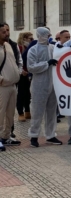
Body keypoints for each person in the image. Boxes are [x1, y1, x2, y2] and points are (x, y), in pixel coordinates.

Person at [27, 27, 62, 147]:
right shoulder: (33, 50)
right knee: (37, 112)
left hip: (53, 84)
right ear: (41, 36)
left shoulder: (53, 48)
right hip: (39, 85)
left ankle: (51, 135)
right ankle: (34, 136)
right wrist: (46, 63)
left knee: (52, 112)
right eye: (47, 35)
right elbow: (31, 67)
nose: (49, 37)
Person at [0, 22, 22, 151]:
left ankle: (6, 137)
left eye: (7, 31)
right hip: (2, 86)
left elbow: (14, 62)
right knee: (0, 113)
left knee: (10, 114)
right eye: (3, 32)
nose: (7, 33)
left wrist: (16, 74)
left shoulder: (8, 45)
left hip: (13, 85)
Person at [16, 32, 33, 122]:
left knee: (28, 93)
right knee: (21, 93)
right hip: (22, 74)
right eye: (30, 38)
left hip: (29, 73)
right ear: (24, 38)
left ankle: (27, 111)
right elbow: (17, 61)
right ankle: (20, 112)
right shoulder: (20, 47)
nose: (32, 40)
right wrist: (21, 71)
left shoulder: (30, 48)